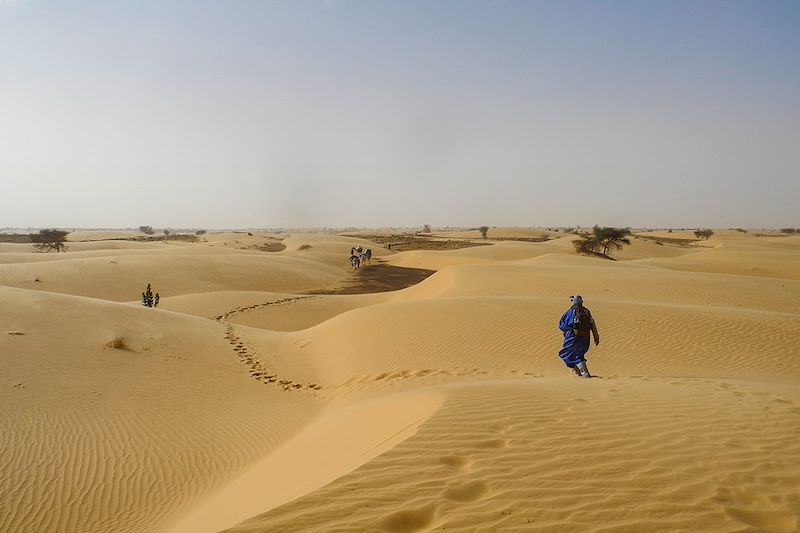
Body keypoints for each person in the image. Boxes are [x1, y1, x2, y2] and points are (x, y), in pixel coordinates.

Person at [557, 295, 600, 378]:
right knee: (577, 354)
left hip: (573, 338)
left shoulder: (570, 312)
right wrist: (596, 336)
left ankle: (585, 374)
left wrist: (567, 332)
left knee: (566, 354)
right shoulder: (586, 311)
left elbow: (562, 325)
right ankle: (578, 372)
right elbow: (592, 324)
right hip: (585, 339)